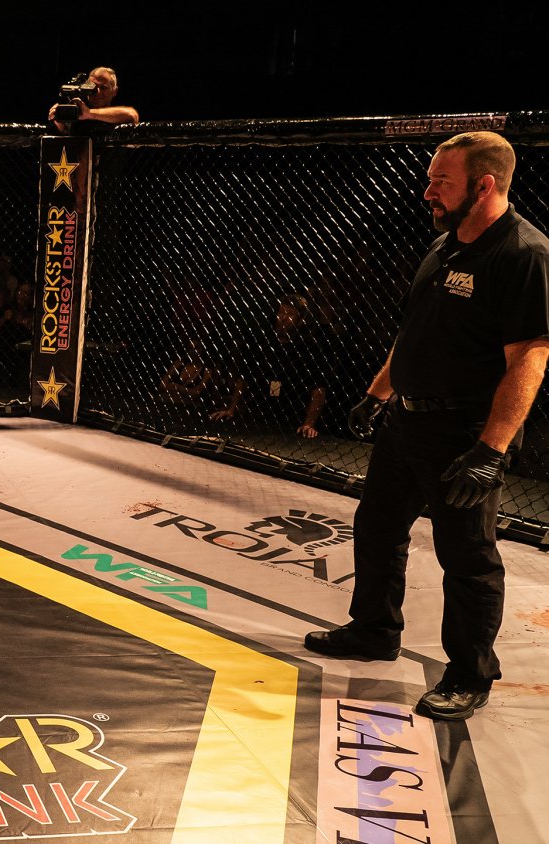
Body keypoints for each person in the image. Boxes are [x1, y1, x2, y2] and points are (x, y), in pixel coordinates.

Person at [305, 131, 549, 721]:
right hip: (406, 420)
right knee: (377, 526)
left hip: (464, 433)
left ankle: (470, 673)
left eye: (442, 181)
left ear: (484, 185)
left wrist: (491, 449)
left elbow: (531, 356)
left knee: (467, 556)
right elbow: (415, 332)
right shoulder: (444, 245)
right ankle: (374, 629)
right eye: (431, 179)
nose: (428, 191)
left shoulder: (523, 254)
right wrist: (377, 393)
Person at [209, 294, 333, 437]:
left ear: (300, 320)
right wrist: (232, 408)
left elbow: (318, 389)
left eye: (290, 314)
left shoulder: (308, 349)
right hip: (259, 411)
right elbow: (244, 377)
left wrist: (309, 423)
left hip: (291, 414)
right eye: (281, 312)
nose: (283, 318)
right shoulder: (263, 342)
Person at [49, 66, 140, 133]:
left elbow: (132, 115)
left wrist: (89, 113)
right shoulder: (76, 112)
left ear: (115, 91)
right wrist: (60, 125)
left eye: (103, 88)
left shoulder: (117, 112)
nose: (98, 92)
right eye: (93, 88)